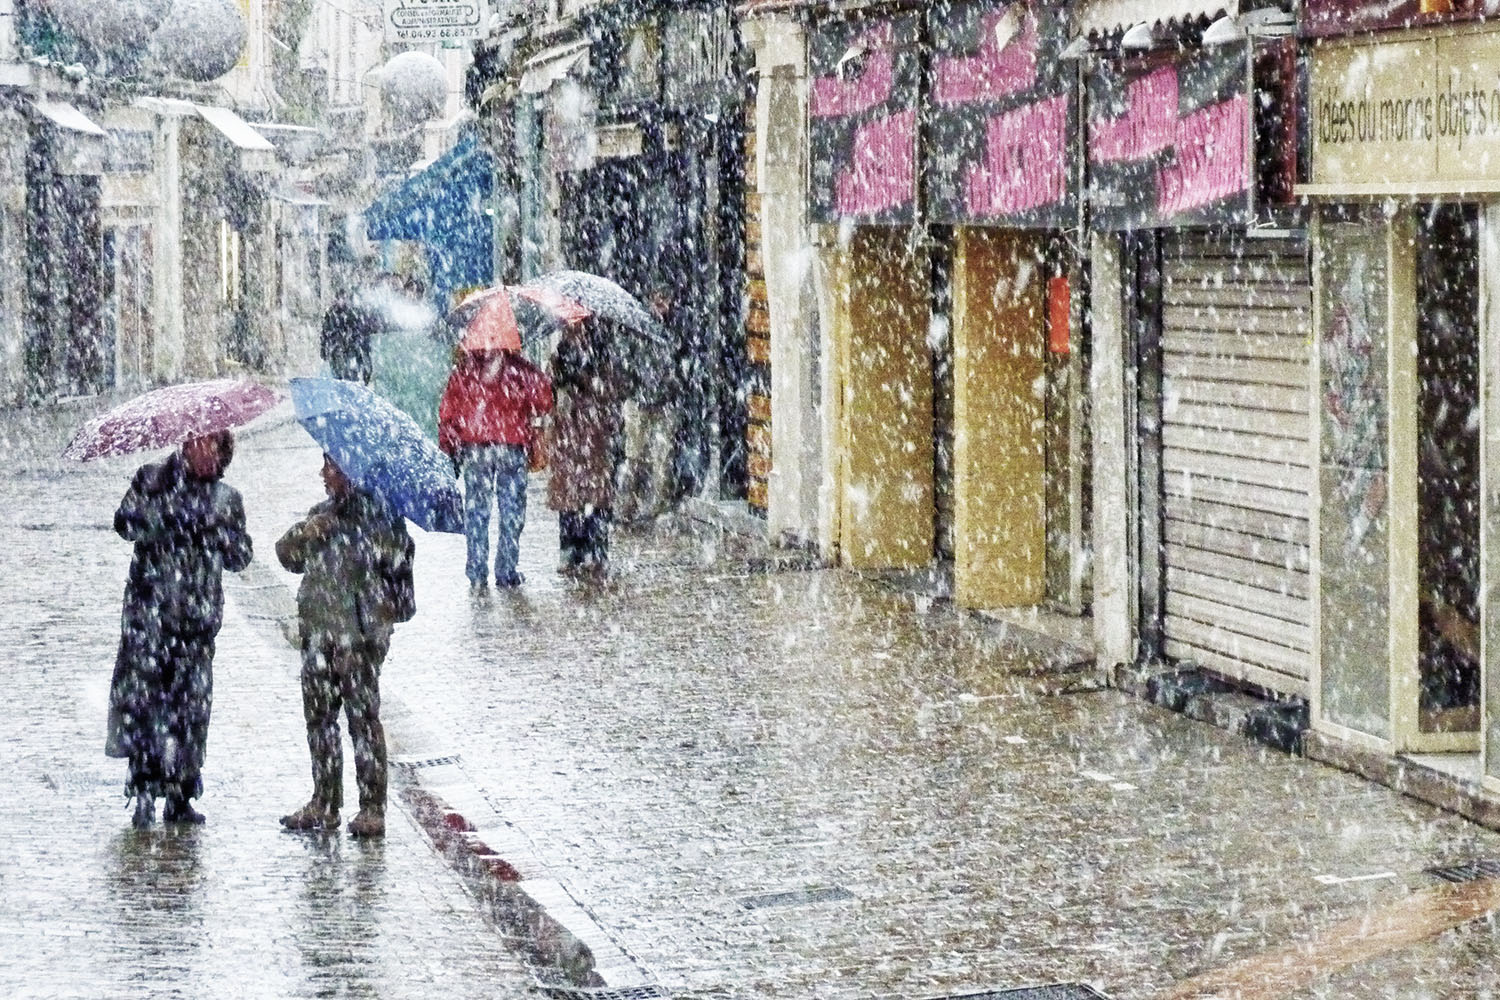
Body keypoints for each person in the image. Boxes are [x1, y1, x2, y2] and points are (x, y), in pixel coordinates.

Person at [106, 430, 253, 830]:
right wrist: (166, 516)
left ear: (222, 454)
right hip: (149, 619)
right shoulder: (152, 478)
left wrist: (217, 532)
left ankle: (181, 794)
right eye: (195, 441)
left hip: (197, 624)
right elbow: (125, 523)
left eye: (210, 445)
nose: (200, 450)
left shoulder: (227, 499)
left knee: (191, 711)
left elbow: (241, 556)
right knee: (144, 705)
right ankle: (141, 788)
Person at [276, 454, 415, 838]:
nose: (324, 474)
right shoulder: (321, 514)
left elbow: (401, 580)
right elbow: (287, 557)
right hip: (320, 632)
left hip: (359, 638)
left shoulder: (382, 519)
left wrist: (377, 624)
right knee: (319, 720)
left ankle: (372, 807)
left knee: (362, 721)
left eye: (331, 466)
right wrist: (306, 531)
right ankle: (324, 800)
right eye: (324, 465)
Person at [438, 346, 553, 589]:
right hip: (511, 446)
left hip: (476, 447)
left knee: (477, 512)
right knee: (511, 511)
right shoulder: (520, 368)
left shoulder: (465, 370)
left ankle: (477, 572)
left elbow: (448, 411)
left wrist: (449, 445)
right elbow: (544, 401)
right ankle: (506, 570)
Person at [548, 317, 626, 579]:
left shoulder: (603, 358)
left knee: (597, 496)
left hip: (594, 436)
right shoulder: (560, 357)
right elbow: (550, 393)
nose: (573, 331)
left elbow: (611, 392)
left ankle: (596, 551)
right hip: (572, 435)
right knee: (571, 496)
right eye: (570, 327)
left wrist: (587, 382)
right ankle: (572, 550)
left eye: (578, 327)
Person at [614, 289, 679, 526]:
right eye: (658, 299)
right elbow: (625, 361)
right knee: (634, 456)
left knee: (661, 457)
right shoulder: (637, 326)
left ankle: (656, 505)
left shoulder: (674, 328)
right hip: (639, 400)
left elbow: (678, 361)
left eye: (666, 300)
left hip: (664, 401)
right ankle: (627, 505)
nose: (663, 305)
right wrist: (635, 385)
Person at [320, 291, 381, 384]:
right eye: (339, 298)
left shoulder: (352, 313)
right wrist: (324, 349)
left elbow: (358, 330)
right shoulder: (330, 314)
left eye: (344, 298)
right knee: (338, 374)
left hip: (350, 349)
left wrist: (352, 340)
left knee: (352, 373)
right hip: (336, 350)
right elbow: (325, 333)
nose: (341, 301)